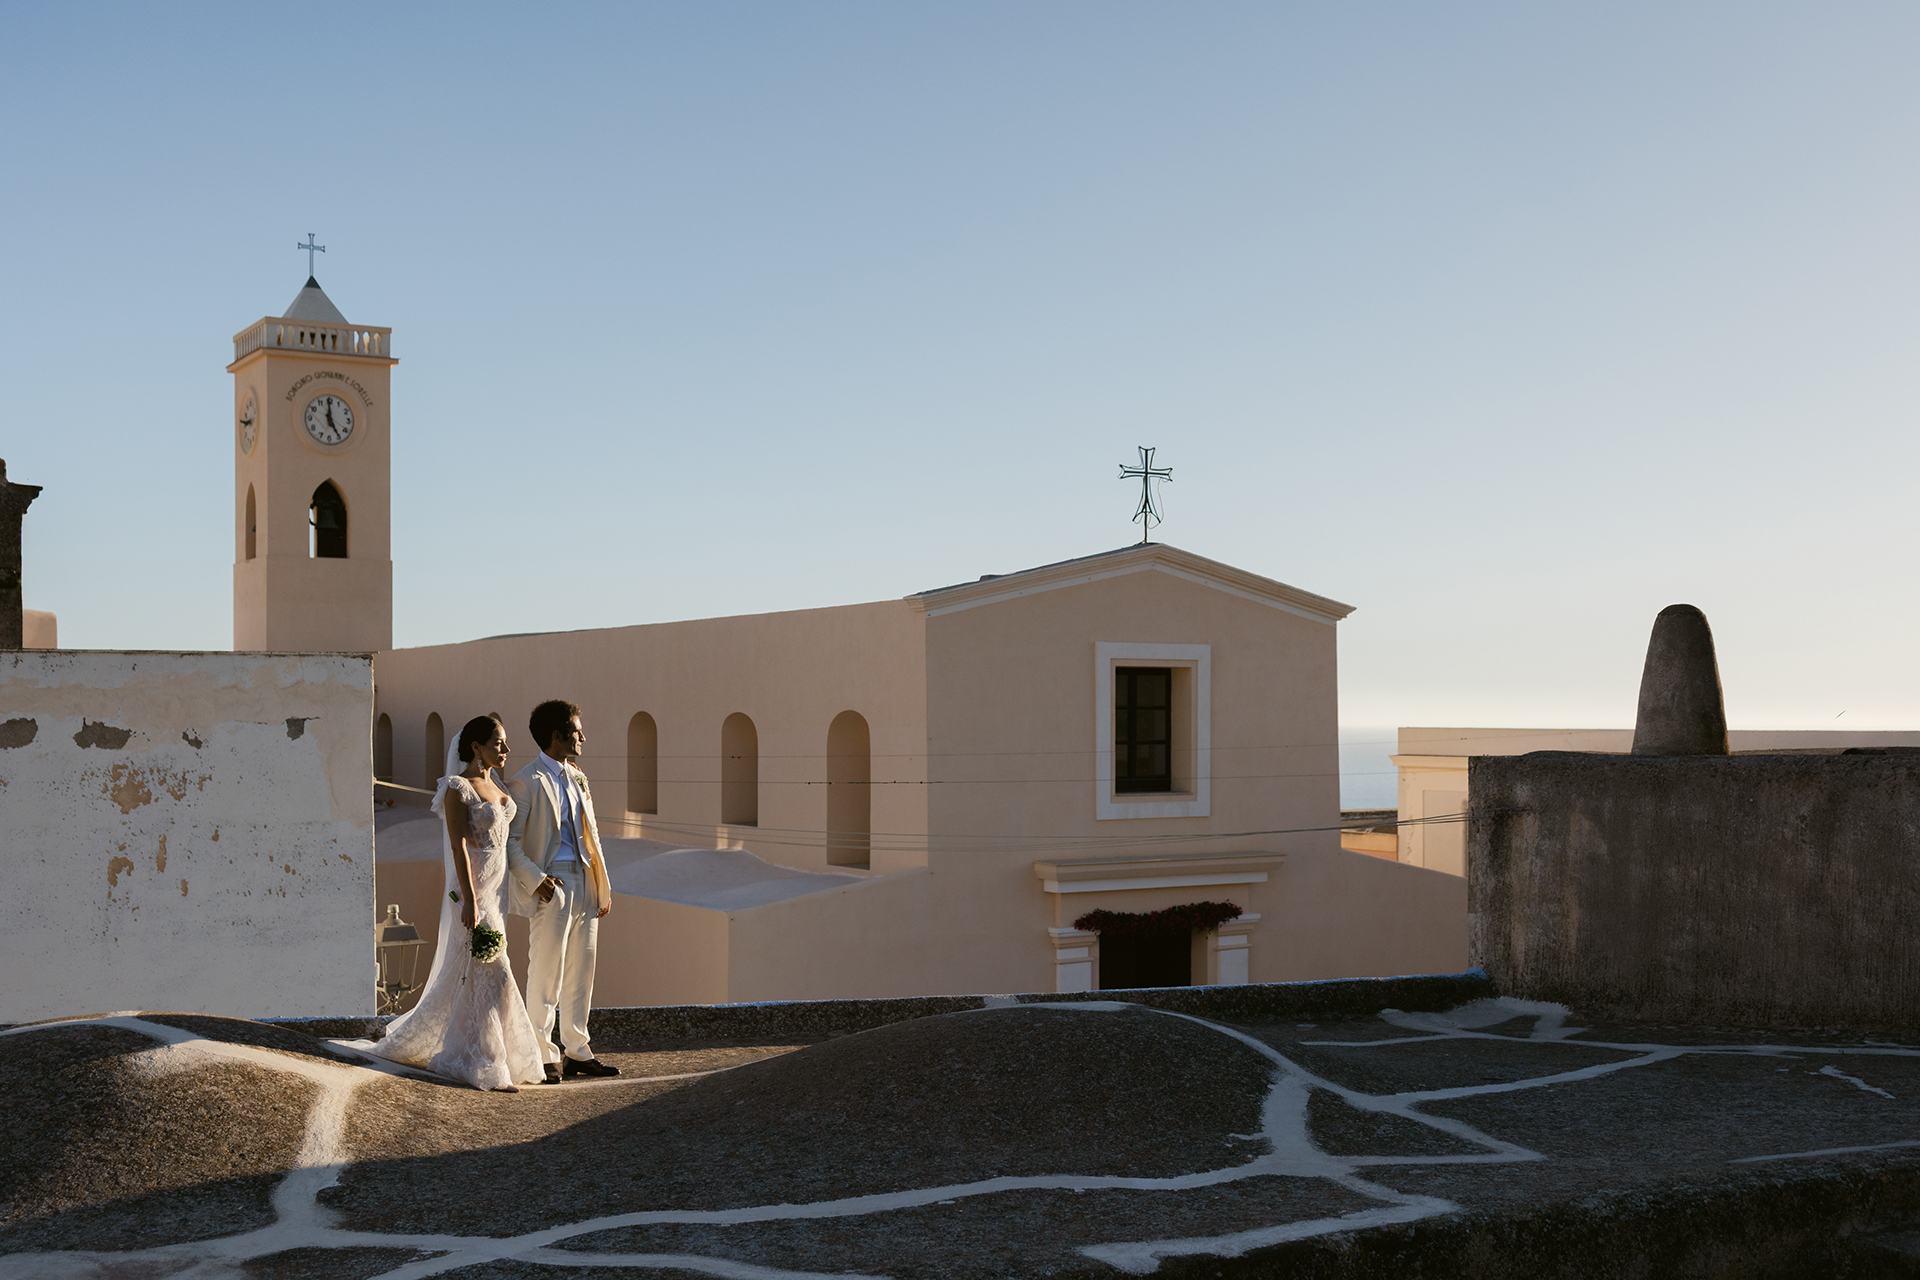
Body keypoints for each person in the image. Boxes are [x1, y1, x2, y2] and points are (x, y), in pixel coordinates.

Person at [362, 714, 545, 1091]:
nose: (506, 749)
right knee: (495, 972)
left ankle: (468, 1051)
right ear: (477, 747)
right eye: (498, 743)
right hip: (473, 893)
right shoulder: (457, 789)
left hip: (496, 892)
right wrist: (470, 901)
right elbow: (459, 846)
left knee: (474, 975)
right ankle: (485, 1061)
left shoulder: (497, 784)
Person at [506, 699, 620, 1082]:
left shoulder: (578, 777)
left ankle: (577, 1051)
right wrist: (537, 879)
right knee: (546, 973)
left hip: (585, 881)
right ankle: (541, 1054)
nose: (583, 737)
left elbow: (592, 834)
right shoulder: (525, 781)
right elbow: (510, 842)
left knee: (581, 972)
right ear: (556, 736)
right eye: (576, 731)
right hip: (551, 884)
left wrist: (601, 885)